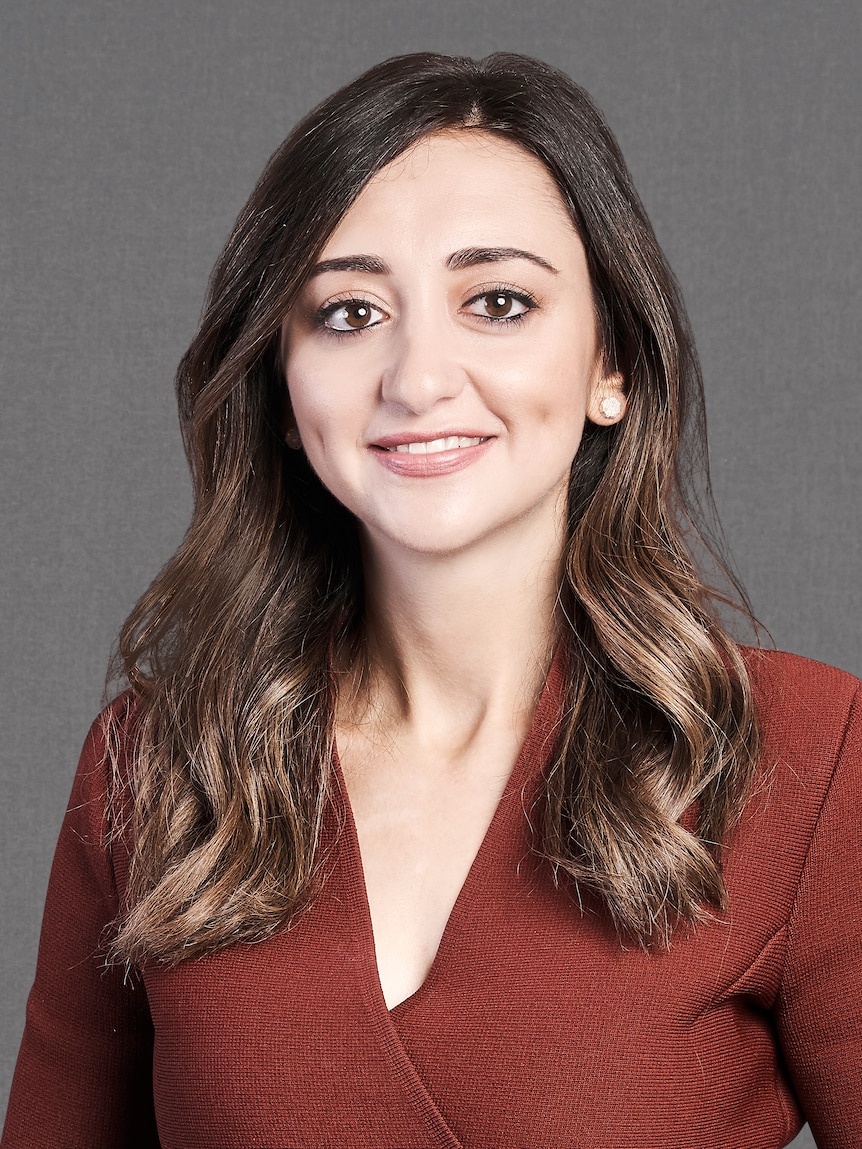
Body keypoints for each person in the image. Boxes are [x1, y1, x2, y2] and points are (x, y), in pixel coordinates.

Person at [2, 51, 860, 1149]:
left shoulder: (808, 758)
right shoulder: (161, 767)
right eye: (350, 312)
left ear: (616, 369)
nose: (416, 377)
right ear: (279, 385)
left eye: (496, 302)